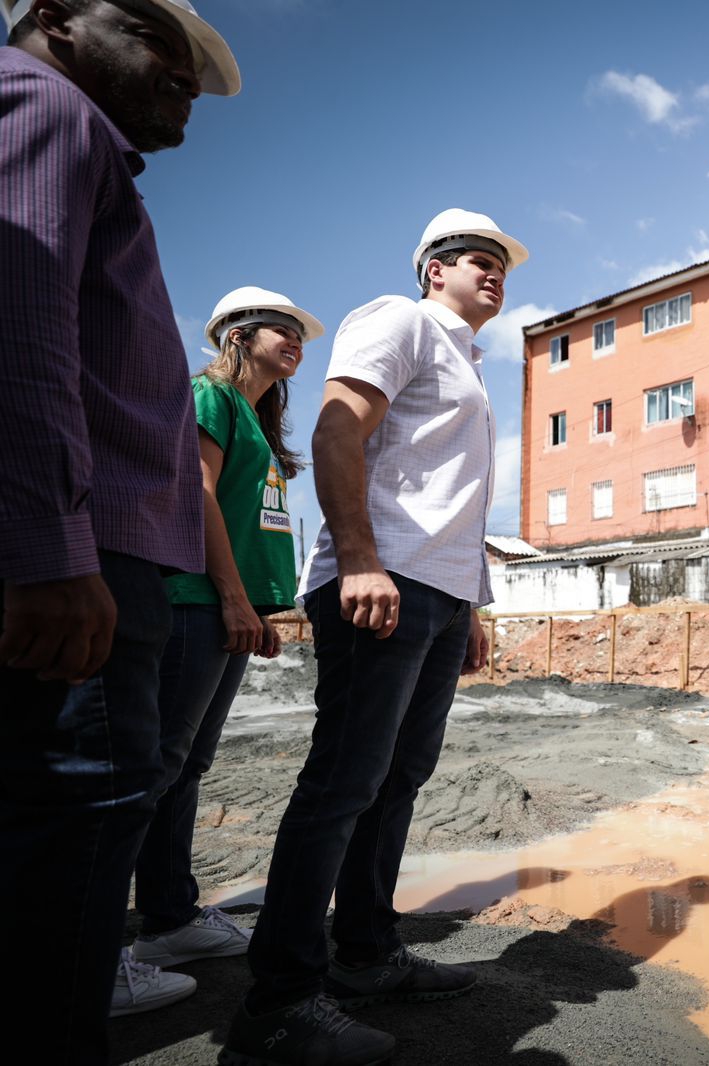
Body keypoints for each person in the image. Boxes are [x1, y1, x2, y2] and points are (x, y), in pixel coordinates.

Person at [223, 209, 529, 1066]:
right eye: (477, 259)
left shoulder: (467, 360)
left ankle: (363, 954)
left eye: (502, 265)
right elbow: (336, 430)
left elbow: (451, 497)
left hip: (437, 593)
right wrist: (359, 557)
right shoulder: (399, 321)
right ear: (434, 269)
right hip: (381, 579)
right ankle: (278, 1005)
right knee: (343, 783)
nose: (494, 273)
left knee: (397, 779)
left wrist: (471, 605)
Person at [0, 0, 239, 1059]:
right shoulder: (46, 109)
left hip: (100, 552)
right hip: (83, 554)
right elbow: (20, 322)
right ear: (55, 17)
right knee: (80, 822)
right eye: (154, 38)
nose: (184, 78)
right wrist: (51, 549)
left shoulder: (75, 139)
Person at [119, 289, 323, 1011]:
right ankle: (90, 949)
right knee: (154, 768)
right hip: (195, 604)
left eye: (300, 332)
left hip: (227, 608)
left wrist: (256, 607)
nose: (295, 339)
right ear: (238, 335)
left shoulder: (255, 419)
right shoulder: (209, 396)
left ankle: (169, 920)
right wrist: (232, 597)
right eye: (281, 328)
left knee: (185, 766)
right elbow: (196, 495)